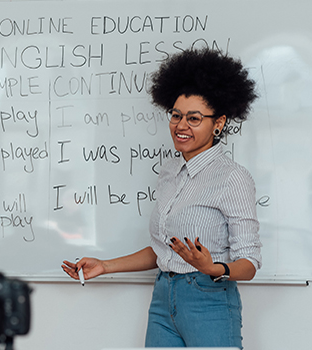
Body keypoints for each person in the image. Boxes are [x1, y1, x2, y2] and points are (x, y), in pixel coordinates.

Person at [61, 47, 262, 348]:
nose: (181, 126)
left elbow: (250, 263)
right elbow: (164, 252)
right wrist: (105, 265)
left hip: (208, 301)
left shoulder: (232, 177)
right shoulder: (170, 171)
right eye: (176, 115)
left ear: (218, 123)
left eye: (194, 118)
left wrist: (212, 269)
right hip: (163, 299)